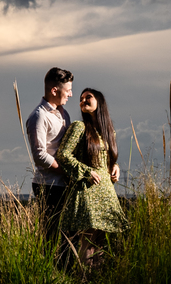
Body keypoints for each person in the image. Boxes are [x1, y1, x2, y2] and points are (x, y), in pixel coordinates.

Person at [57, 88, 127, 265]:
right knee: (88, 244)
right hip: (88, 192)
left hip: (106, 193)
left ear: (100, 102)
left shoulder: (108, 134)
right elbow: (63, 155)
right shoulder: (79, 127)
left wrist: (115, 166)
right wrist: (86, 172)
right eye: (81, 99)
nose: (83, 100)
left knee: (100, 244)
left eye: (88, 97)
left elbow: (106, 160)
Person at [26, 67, 74, 239]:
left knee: (66, 235)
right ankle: (50, 266)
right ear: (55, 90)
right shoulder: (38, 116)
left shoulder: (63, 114)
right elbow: (39, 155)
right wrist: (66, 170)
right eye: (68, 90)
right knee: (52, 235)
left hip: (63, 183)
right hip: (48, 185)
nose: (71, 94)